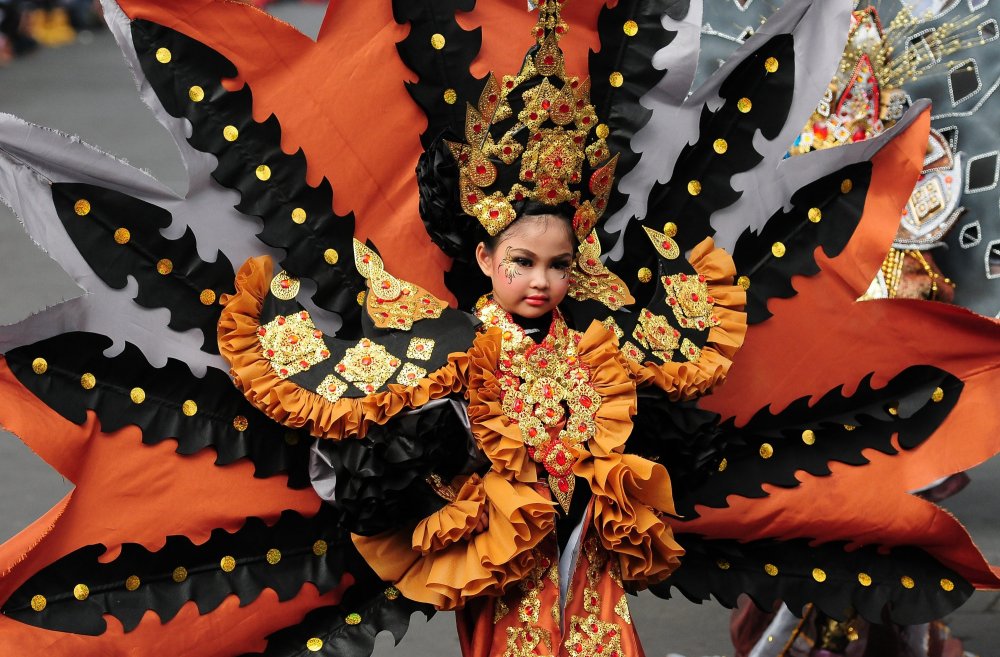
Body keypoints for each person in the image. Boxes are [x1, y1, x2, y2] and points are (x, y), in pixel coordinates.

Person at [0, 1, 998, 656]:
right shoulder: (430, 342)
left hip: (594, 589)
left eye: (557, 263)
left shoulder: (605, 342)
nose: (540, 280)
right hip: (495, 583)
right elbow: (325, 401)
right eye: (520, 261)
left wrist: (637, 467)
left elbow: (690, 386)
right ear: (480, 257)